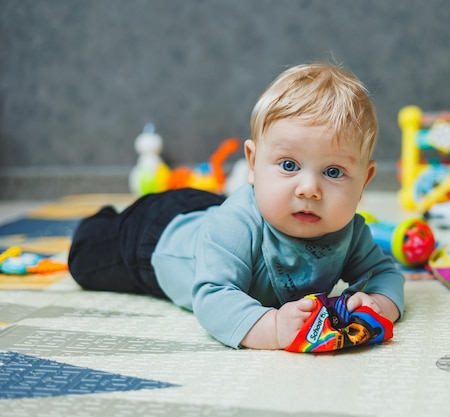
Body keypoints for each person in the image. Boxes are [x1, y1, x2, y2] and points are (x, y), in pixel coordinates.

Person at [68, 62, 405, 350]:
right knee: (87, 257)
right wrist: (273, 327)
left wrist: (376, 304)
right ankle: (100, 220)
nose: (309, 189)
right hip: (153, 240)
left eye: (333, 172)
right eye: (288, 165)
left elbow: (385, 273)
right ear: (253, 164)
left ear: (365, 181)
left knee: (219, 211)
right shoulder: (235, 225)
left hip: (211, 209)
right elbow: (213, 297)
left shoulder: (350, 231)